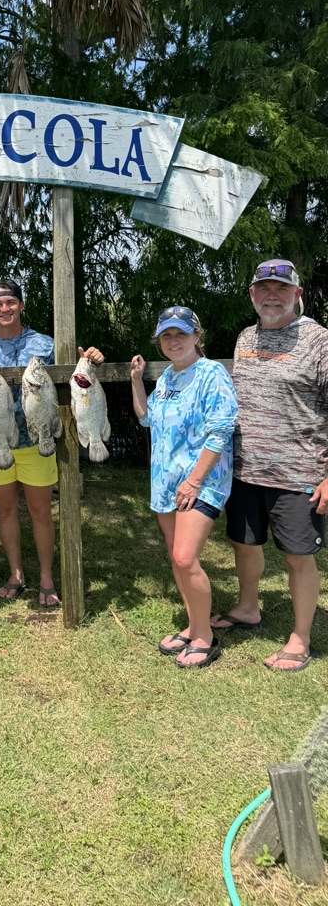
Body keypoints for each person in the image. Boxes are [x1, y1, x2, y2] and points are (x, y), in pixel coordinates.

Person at [210, 259, 328, 672]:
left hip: (299, 475)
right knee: (244, 543)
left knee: (298, 556)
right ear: (252, 296)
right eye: (264, 289)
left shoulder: (319, 342)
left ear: (297, 294)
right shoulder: (246, 337)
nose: (271, 295)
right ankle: (247, 608)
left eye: (281, 288)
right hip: (244, 469)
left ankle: (300, 638)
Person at [0, 279, 102, 607]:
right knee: (5, 511)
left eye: (10, 302)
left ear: (21, 305)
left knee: (41, 511)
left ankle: (46, 576)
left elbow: (77, 374)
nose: (5, 309)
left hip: (36, 442)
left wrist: (91, 358)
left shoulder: (45, 344)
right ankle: (16, 573)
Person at [131, 307, 238, 668]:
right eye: (166, 335)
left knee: (184, 557)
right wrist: (136, 380)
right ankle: (193, 626)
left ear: (197, 335)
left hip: (199, 483)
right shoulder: (166, 379)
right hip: (165, 484)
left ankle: (205, 637)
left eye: (180, 333)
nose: (173, 341)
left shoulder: (212, 374)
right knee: (175, 555)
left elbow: (221, 430)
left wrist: (194, 480)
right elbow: (147, 420)